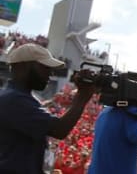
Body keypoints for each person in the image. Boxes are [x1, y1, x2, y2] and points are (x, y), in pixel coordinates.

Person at [0, 43, 96, 173]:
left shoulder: (18, 97)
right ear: (24, 67)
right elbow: (59, 130)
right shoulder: (14, 100)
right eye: (45, 68)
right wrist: (83, 96)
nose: (50, 74)